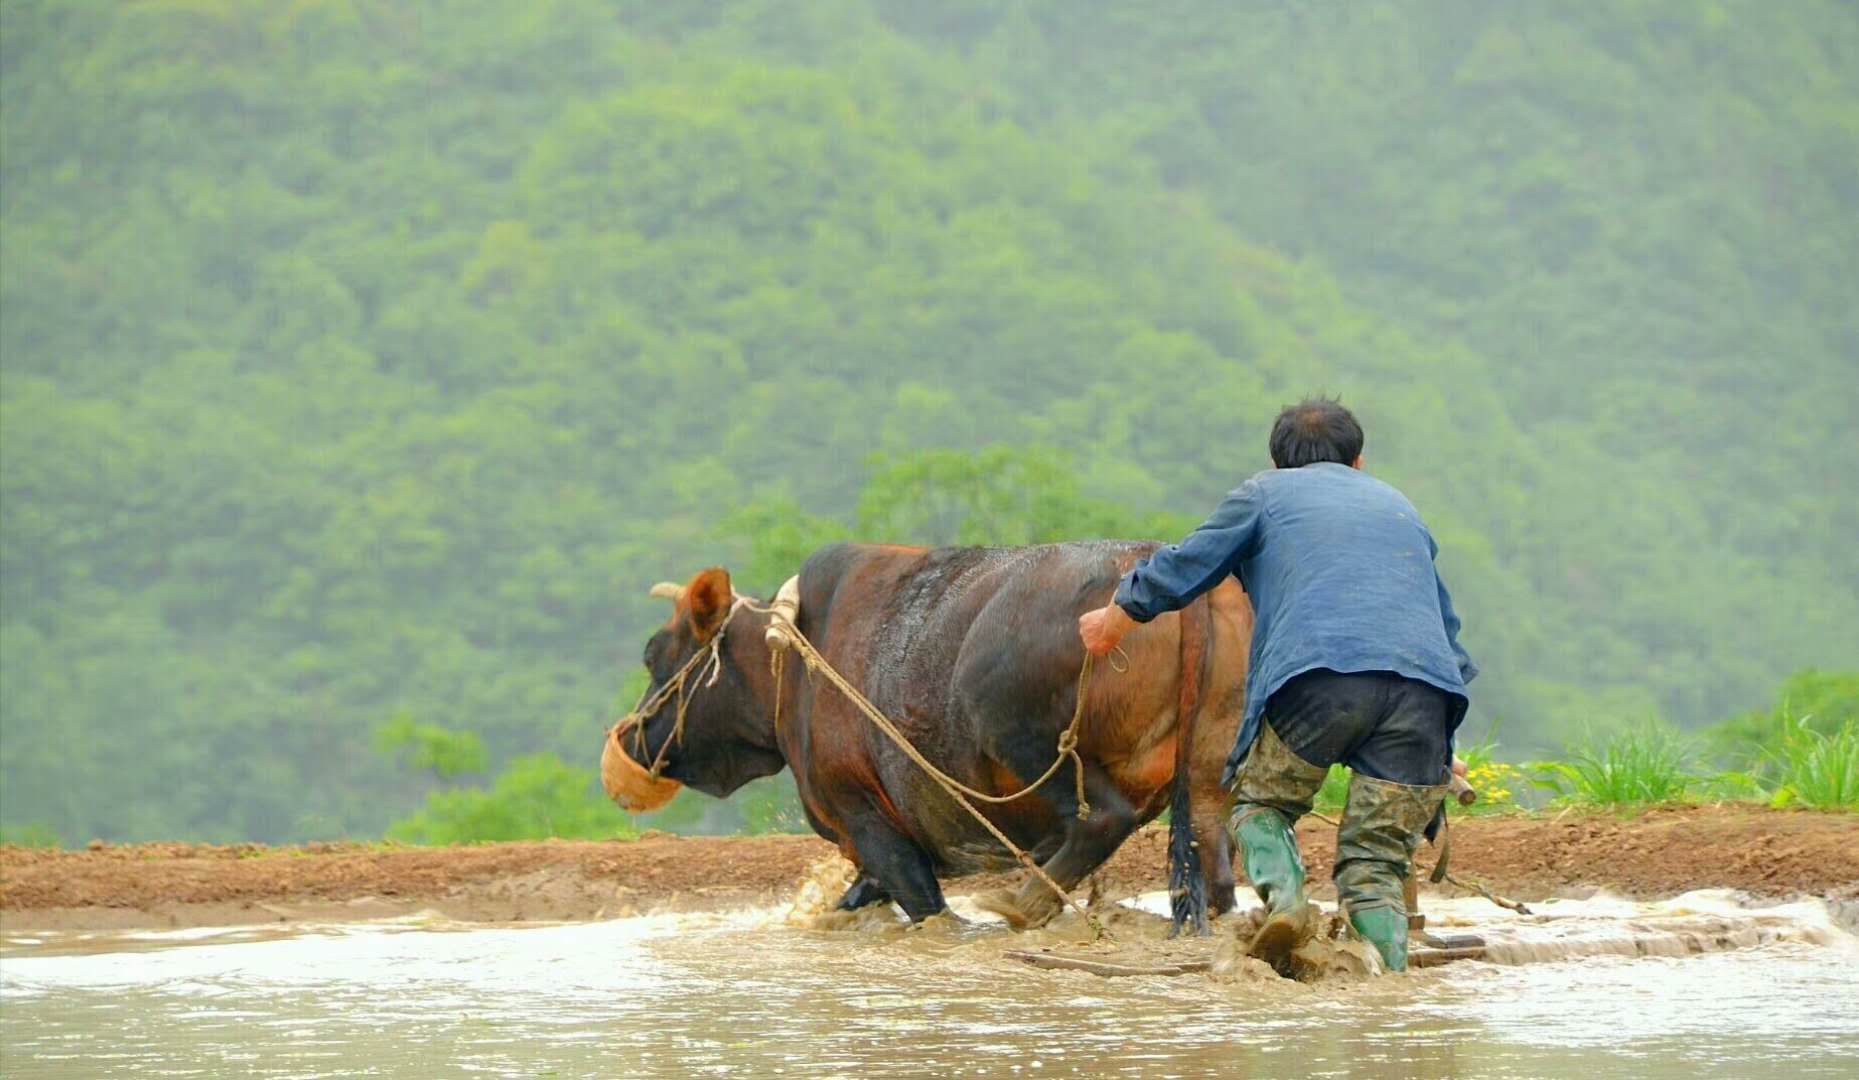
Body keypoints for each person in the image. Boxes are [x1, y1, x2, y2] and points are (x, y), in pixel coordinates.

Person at [1077, 398, 1476, 973]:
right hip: (1425, 694)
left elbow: (1189, 562)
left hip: (1318, 677)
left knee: (1259, 805)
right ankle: (1388, 987)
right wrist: (1443, 745)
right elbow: (1446, 632)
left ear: (1280, 462)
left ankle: (1287, 903)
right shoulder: (1400, 508)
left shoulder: (1265, 494)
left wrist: (1118, 613)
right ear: (1358, 462)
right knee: (1376, 864)